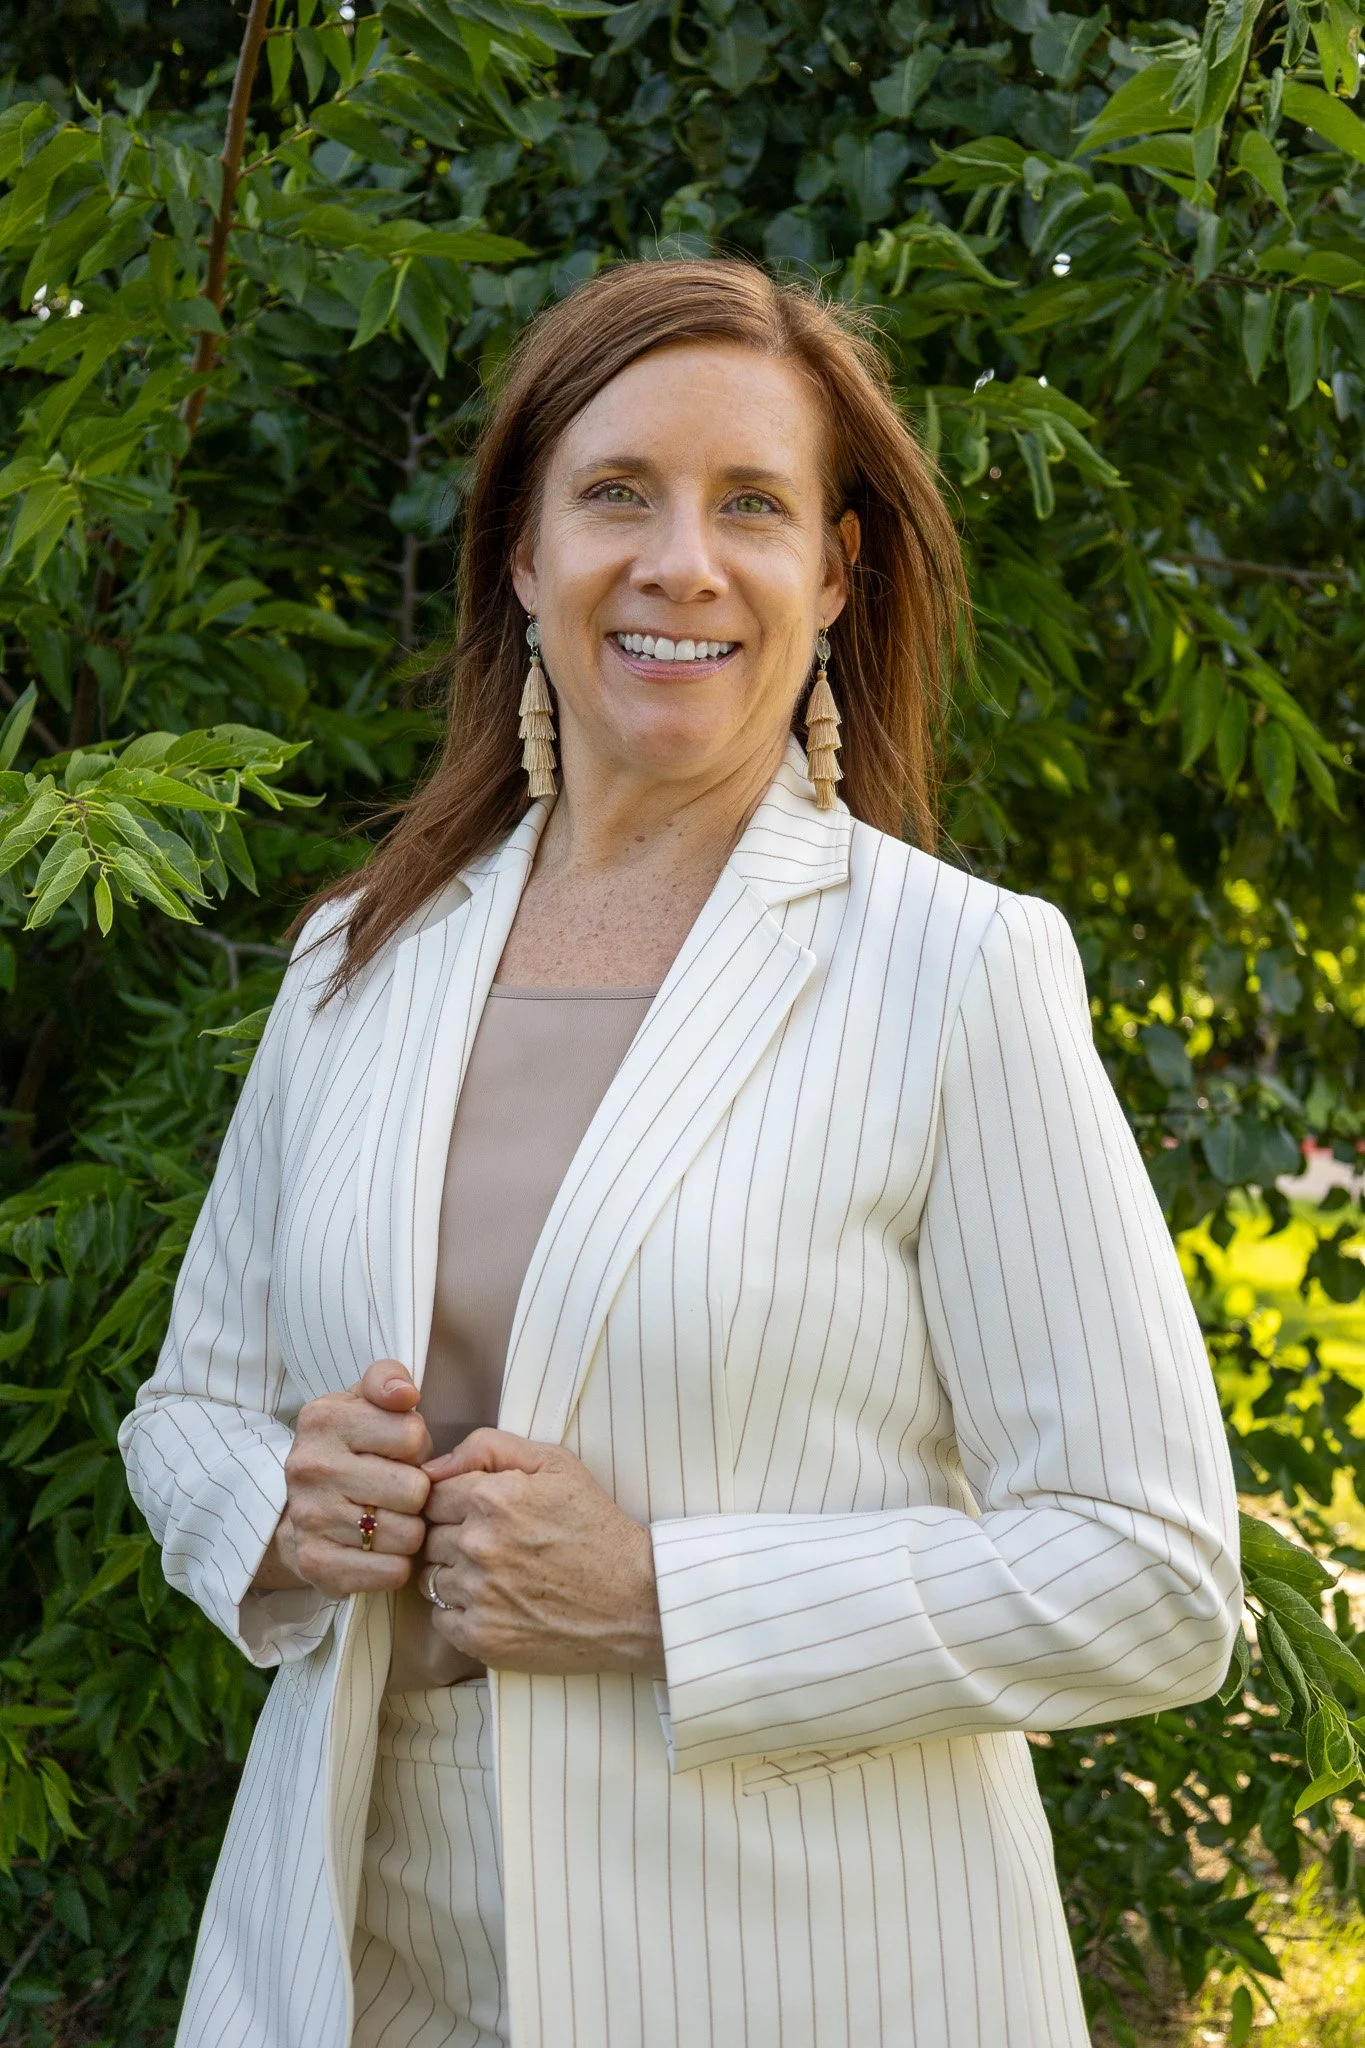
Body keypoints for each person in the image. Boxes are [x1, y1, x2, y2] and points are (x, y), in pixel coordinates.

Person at [119, 257, 1241, 2048]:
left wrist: (659, 1597)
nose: (680, 563)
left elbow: (1155, 1577)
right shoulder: (360, 960)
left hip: (796, 1982)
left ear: (835, 572)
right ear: (521, 549)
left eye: (752, 507)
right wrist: (274, 1506)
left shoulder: (954, 971)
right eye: (617, 494)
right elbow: (190, 1409)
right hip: (346, 1972)